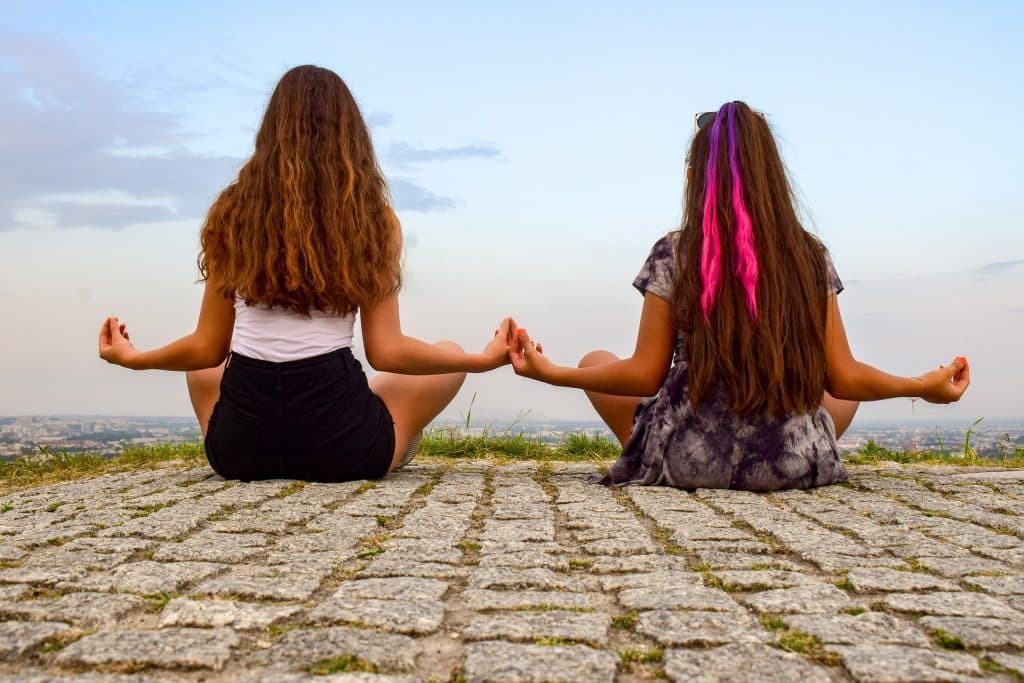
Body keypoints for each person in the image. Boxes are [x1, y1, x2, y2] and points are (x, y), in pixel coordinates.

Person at [508, 101, 970, 491]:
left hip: (690, 459)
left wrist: (553, 373)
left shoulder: (676, 252)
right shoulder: (809, 255)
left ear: (695, 179)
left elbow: (645, 375)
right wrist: (920, 387)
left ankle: (659, 448)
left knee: (594, 361)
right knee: (839, 394)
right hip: (788, 463)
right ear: (772, 177)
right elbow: (844, 378)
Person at [98, 65, 513, 483]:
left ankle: (322, 428)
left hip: (239, 451)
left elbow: (207, 349)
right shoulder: (373, 220)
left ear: (271, 130)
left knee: (204, 370)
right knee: (449, 356)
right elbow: (386, 352)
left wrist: (135, 359)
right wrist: (478, 360)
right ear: (352, 135)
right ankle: (395, 437)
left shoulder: (234, 214)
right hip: (345, 446)